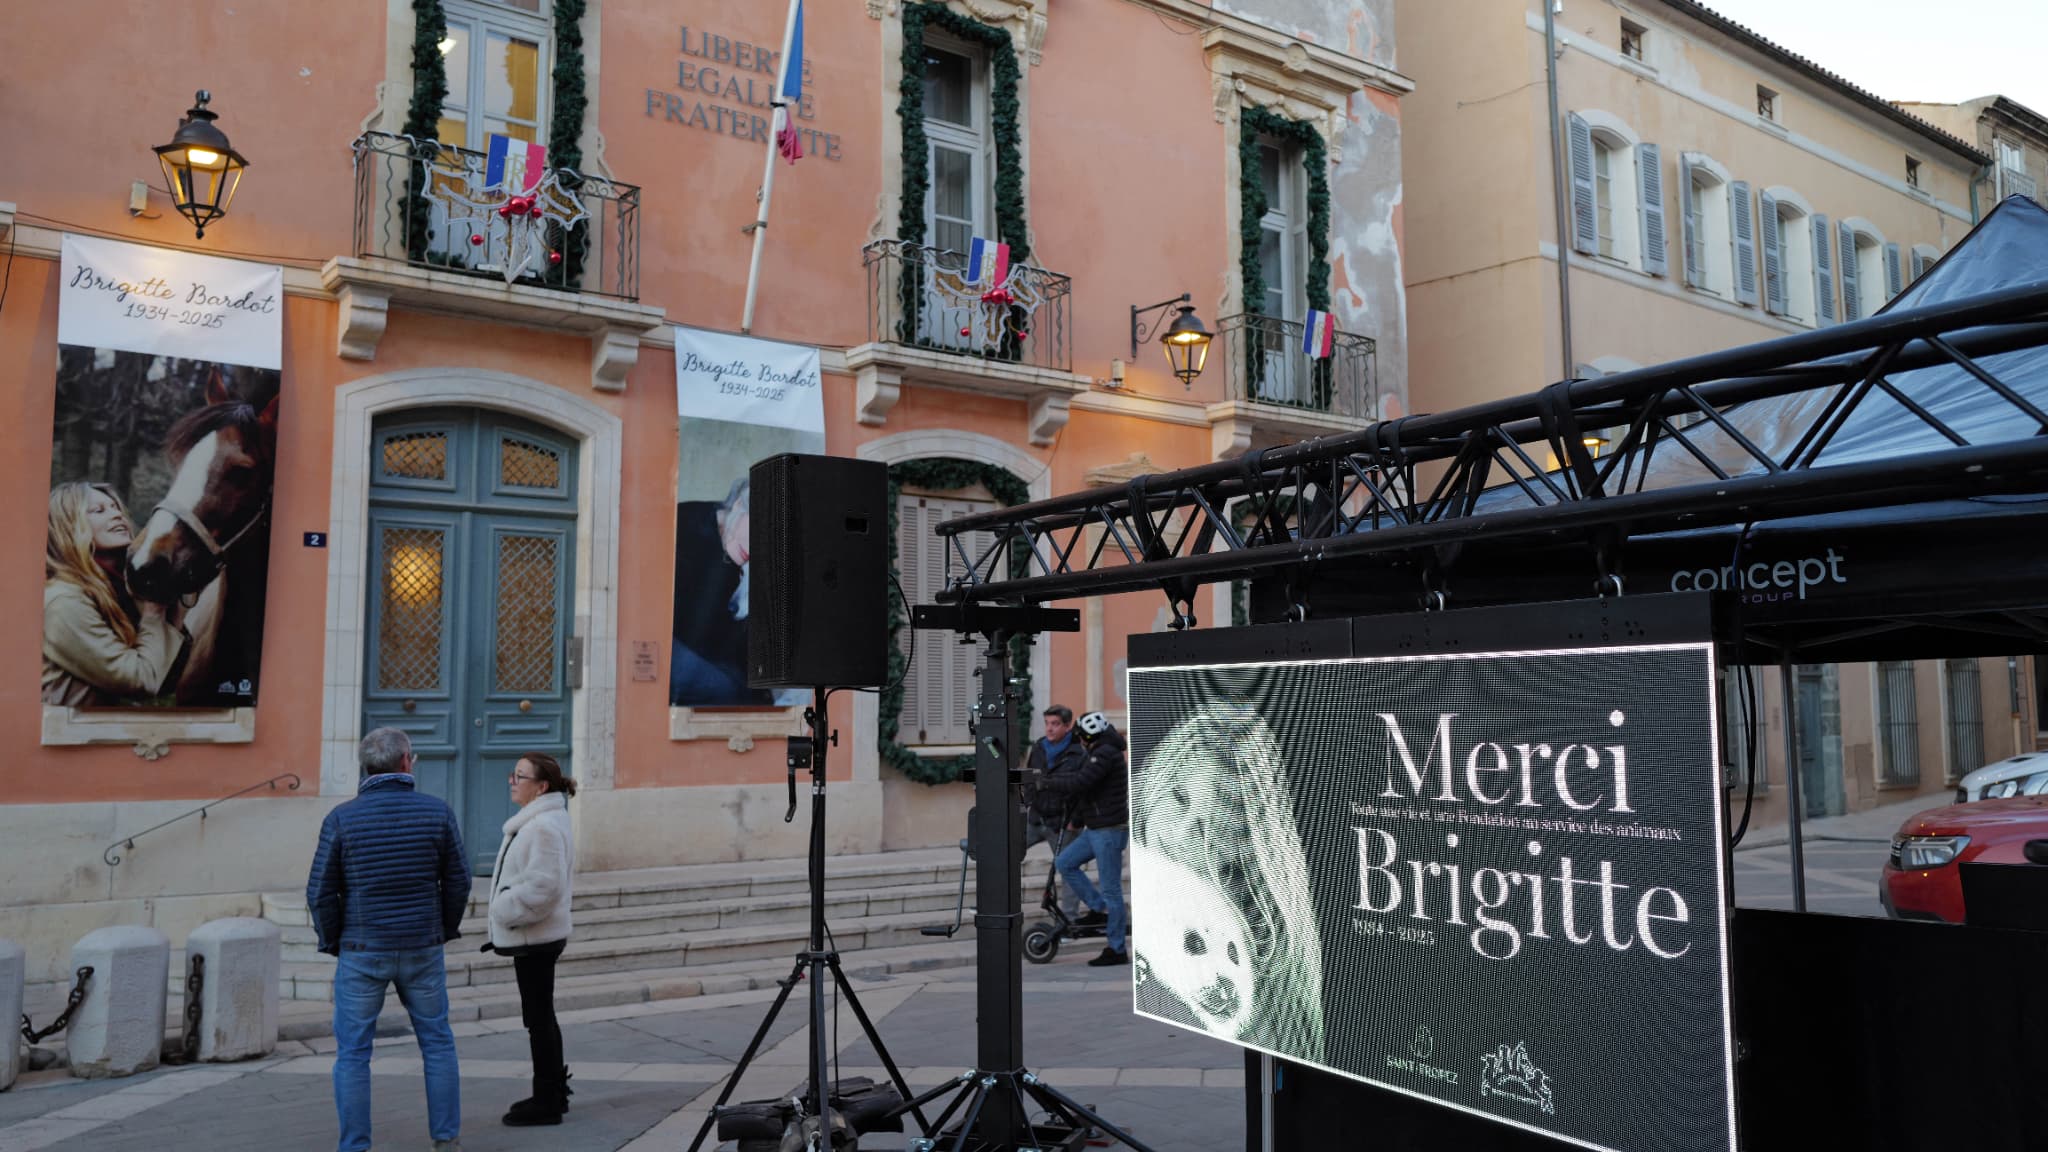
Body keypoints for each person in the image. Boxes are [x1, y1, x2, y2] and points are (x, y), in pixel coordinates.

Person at [1127, 705, 1324, 1061]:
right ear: (1158, 781)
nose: (1184, 828)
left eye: (1210, 825)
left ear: (1246, 842)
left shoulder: (1262, 938)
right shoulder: (1150, 876)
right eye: (1179, 798)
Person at [307, 728, 471, 1152]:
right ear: (405, 763)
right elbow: (458, 880)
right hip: (421, 946)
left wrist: (332, 941)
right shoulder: (437, 812)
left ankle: (355, 1146)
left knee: (353, 1054)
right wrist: (444, 929)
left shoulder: (341, 818)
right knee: (437, 1042)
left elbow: (320, 891)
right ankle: (446, 1140)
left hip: (362, 949)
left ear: (367, 767)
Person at [487, 752, 578, 1127]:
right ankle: (552, 1090)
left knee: (539, 1019)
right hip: (536, 935)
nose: (512, 781)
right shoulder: (541, 820)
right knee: (540, 1016)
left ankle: (548, 1099)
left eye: (520, 776)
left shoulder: (542, 826)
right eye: (513, 774)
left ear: (540, 787)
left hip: (535, 936)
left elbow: (544, 887)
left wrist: (503, 909)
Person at [41, 481, 188, 706]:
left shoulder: (120, 588)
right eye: (99, 511)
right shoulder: (64, 601)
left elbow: (165, 680)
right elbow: (140, 680)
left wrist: (175, 605)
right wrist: (153, 613)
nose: (117, 515)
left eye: (115, 507)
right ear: (67, 527)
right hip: (70, 736)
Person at [1037, 710, 1131, 966]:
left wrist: (1047, 783)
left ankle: (1117, 948)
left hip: (1109, 831)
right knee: (1064, 862)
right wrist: (1077, 820)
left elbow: (1081, 782)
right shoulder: (1100, 751)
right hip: (1096, 829)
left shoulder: (1105, 754)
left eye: (1080, 737)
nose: (1079, 741)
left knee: (1112, 890)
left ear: (1088, 737)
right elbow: (1092, 791)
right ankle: (1098, 908)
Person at [671, 477, 770, 706]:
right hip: (669, 647)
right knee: (729, 692)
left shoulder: (743, 556)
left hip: (710, 656)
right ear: (737, 506)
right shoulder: (684, 524)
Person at [1021, 705, 1088, 920]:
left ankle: (1069, 919)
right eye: (1047, 723)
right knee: (1004, 853)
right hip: (1036, 818)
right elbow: (1029, 778)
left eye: (1055, 724)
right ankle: (996, 904)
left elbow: (1085, 789)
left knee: (1069, 870)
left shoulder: (1079, 753)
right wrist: (1029, 802)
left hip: (1063, 822)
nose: (1049, 729)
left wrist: (1076, 820)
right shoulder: (1039, 747)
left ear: (1067, 727)